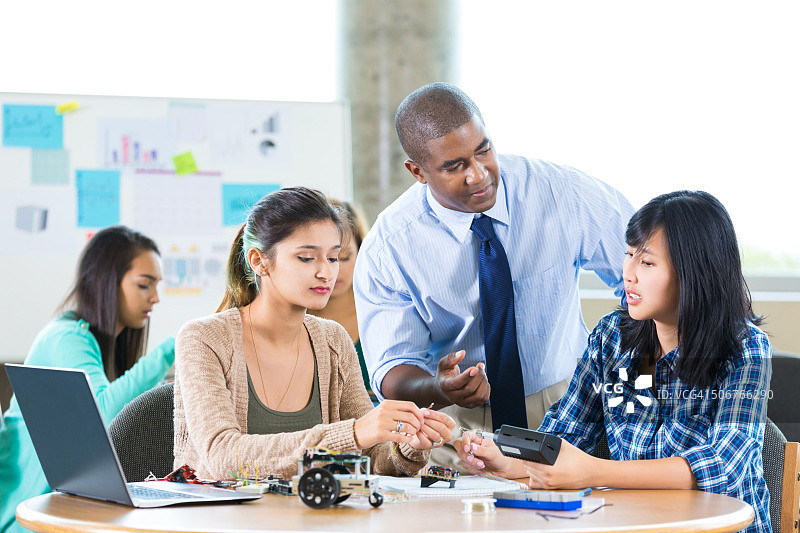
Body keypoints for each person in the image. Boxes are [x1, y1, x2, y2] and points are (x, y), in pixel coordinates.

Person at [457, 190, 772, 533]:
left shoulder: (744, 349)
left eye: (647, 262)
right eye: (629, 255)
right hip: (635, 525)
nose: (629, 273)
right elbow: (565, 436)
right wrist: (502, 459)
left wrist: (592, 471)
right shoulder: (612, 338)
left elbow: (726, 465)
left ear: (701, 272)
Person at [353, 82, 635, 465]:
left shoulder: (561, 192)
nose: (478, 175)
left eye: (483, 150)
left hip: (569, 403)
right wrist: (441, 387)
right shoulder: (390, 247)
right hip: (458, 426)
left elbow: (648, 272)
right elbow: (392, 370)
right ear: (417, 171)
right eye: (454, 167)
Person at [173, 187, 454, 480]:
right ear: (258, 261)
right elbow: (222, 459)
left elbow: (370, 459)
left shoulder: (333, 340)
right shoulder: (203, 338)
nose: (326, 273)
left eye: (334, 258)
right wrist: (354, 433)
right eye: (307, 258)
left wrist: (408, 445)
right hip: (222, 522)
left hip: (314, 520)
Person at [0, 226, 175, 533]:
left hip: (66, 508)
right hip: (29, 517)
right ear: (108, 283)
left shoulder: (96, 345)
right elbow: (104, 413)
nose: (156, 298)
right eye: (145, 285)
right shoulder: (65, 338)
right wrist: (177, 344)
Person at [307, 199, 376, 402]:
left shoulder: (381, 311)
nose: (331, 272)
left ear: (361, 252)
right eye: (311, 258)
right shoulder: (290, 319)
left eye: (342, 257)